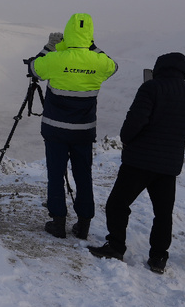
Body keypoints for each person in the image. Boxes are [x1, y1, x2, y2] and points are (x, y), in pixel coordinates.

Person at [88, 52, 185, 273]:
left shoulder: (151, 88)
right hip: (168, 165)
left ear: (160, 67)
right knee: (163, 213)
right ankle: (158, 257)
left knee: (118, 204)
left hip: (139, 160)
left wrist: (126, 139)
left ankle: (116, 246)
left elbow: (135, 121)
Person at [28, 13, 118, 239]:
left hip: (55, 130)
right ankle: (84, 223)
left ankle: (58, 222)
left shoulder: (57, 58)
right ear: (89, 35)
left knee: (56, 175)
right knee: (83, 175)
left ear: (68, 31)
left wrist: (50, 47)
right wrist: (92, 47)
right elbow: (113, 66)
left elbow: (34, 69)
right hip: (84, 132)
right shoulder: (98, 62)